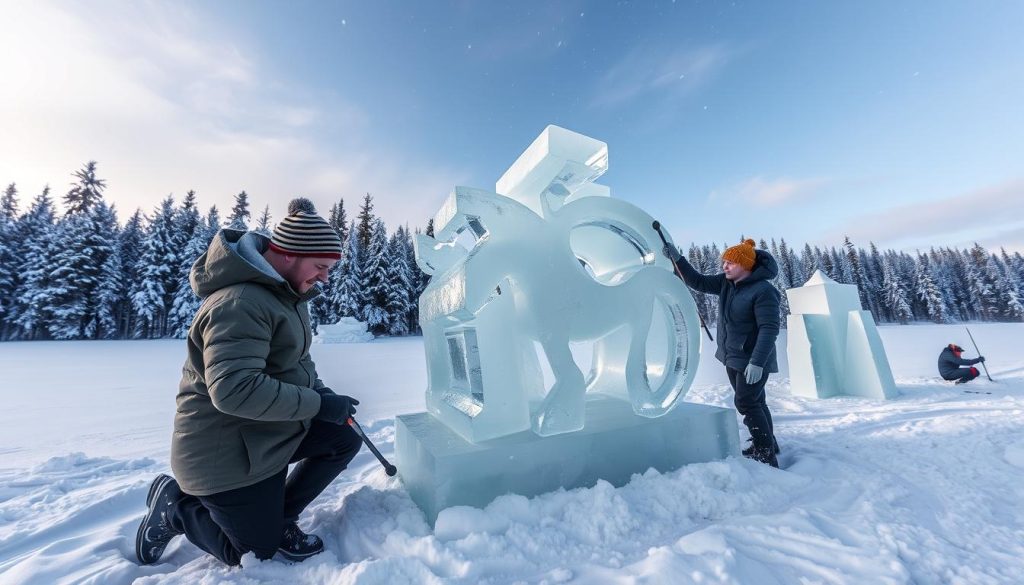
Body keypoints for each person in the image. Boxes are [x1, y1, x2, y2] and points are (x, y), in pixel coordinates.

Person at [135, 198, 363, 566]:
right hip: (223, 452)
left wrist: (323, 395)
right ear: (288, 254)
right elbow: (235, 390)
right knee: (253, 554)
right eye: (321, 266)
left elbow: (297, 362)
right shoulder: (240, 302)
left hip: (262, 433)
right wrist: (318, 406)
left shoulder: (288, 296)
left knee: (343, 436)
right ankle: (176, 506)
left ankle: (280, 519)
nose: (325, 277)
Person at [663, 238, 781, 468]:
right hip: (733, 357)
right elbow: (697, 281)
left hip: (754, 360)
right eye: (724, 262)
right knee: (756, 401)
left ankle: (765, 452)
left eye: (730, 263)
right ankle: (768, 442)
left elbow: (769, 329)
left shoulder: (764, 291)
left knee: (746, 402)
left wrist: (757, 362)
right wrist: (677, 259)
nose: (724, 266)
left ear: (746, 265)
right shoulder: (727, 284)